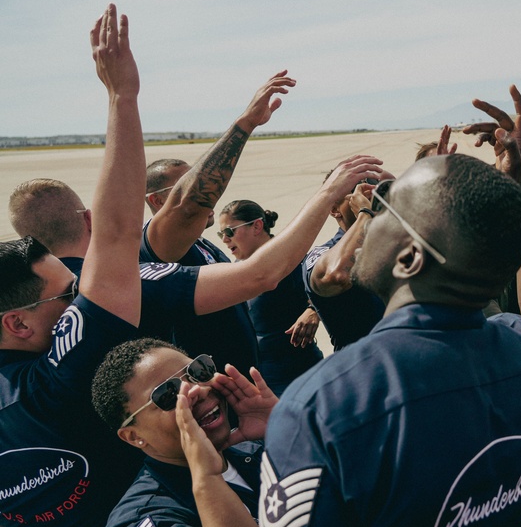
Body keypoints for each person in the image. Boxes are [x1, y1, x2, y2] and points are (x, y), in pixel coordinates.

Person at [252, 86, 521, 527]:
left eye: (381, 209)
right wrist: (517, 190)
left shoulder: (322, 404)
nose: (368, 216)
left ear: (408, 259)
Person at [0, 6, 153, 527]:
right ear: (18, 321)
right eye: (65, 292)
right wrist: (122, 97)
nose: (76, 297)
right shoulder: (52, 383)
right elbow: (117, 236)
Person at [8, 156, 385, 380]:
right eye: (192, 187)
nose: (211, 194)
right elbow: (260, 275)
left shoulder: (196, 247)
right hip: (218, 398)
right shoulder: (141, 267)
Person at [90, 339, 276, 527]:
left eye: (196, 371)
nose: (198, 390)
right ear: (134, 436)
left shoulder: (254, 449)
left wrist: (286, 428)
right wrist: (207, 479)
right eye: (168, 394)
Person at [141, 70, 296, 265]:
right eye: (186, 186)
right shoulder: (160, 243)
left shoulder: (199, 244)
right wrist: (246, 122)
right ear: (156, 200)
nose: (209, 195)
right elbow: (189, 206)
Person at [217, 200, 322, 395]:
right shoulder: (237, 267)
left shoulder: (289, 259)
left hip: (301, 373)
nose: (224, 239)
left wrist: (313, 311)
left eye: (230, 232)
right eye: (221, 234)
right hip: (262, 377)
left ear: (257, 226)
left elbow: (329, 286)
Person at [301, 180, 386, 351]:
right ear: (334, 209)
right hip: (364, 365)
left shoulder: (395, 241)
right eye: (358, 192)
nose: (369, 196)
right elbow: (337, 276)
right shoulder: (325, 252)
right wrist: (365, 213)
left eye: (374, 188)